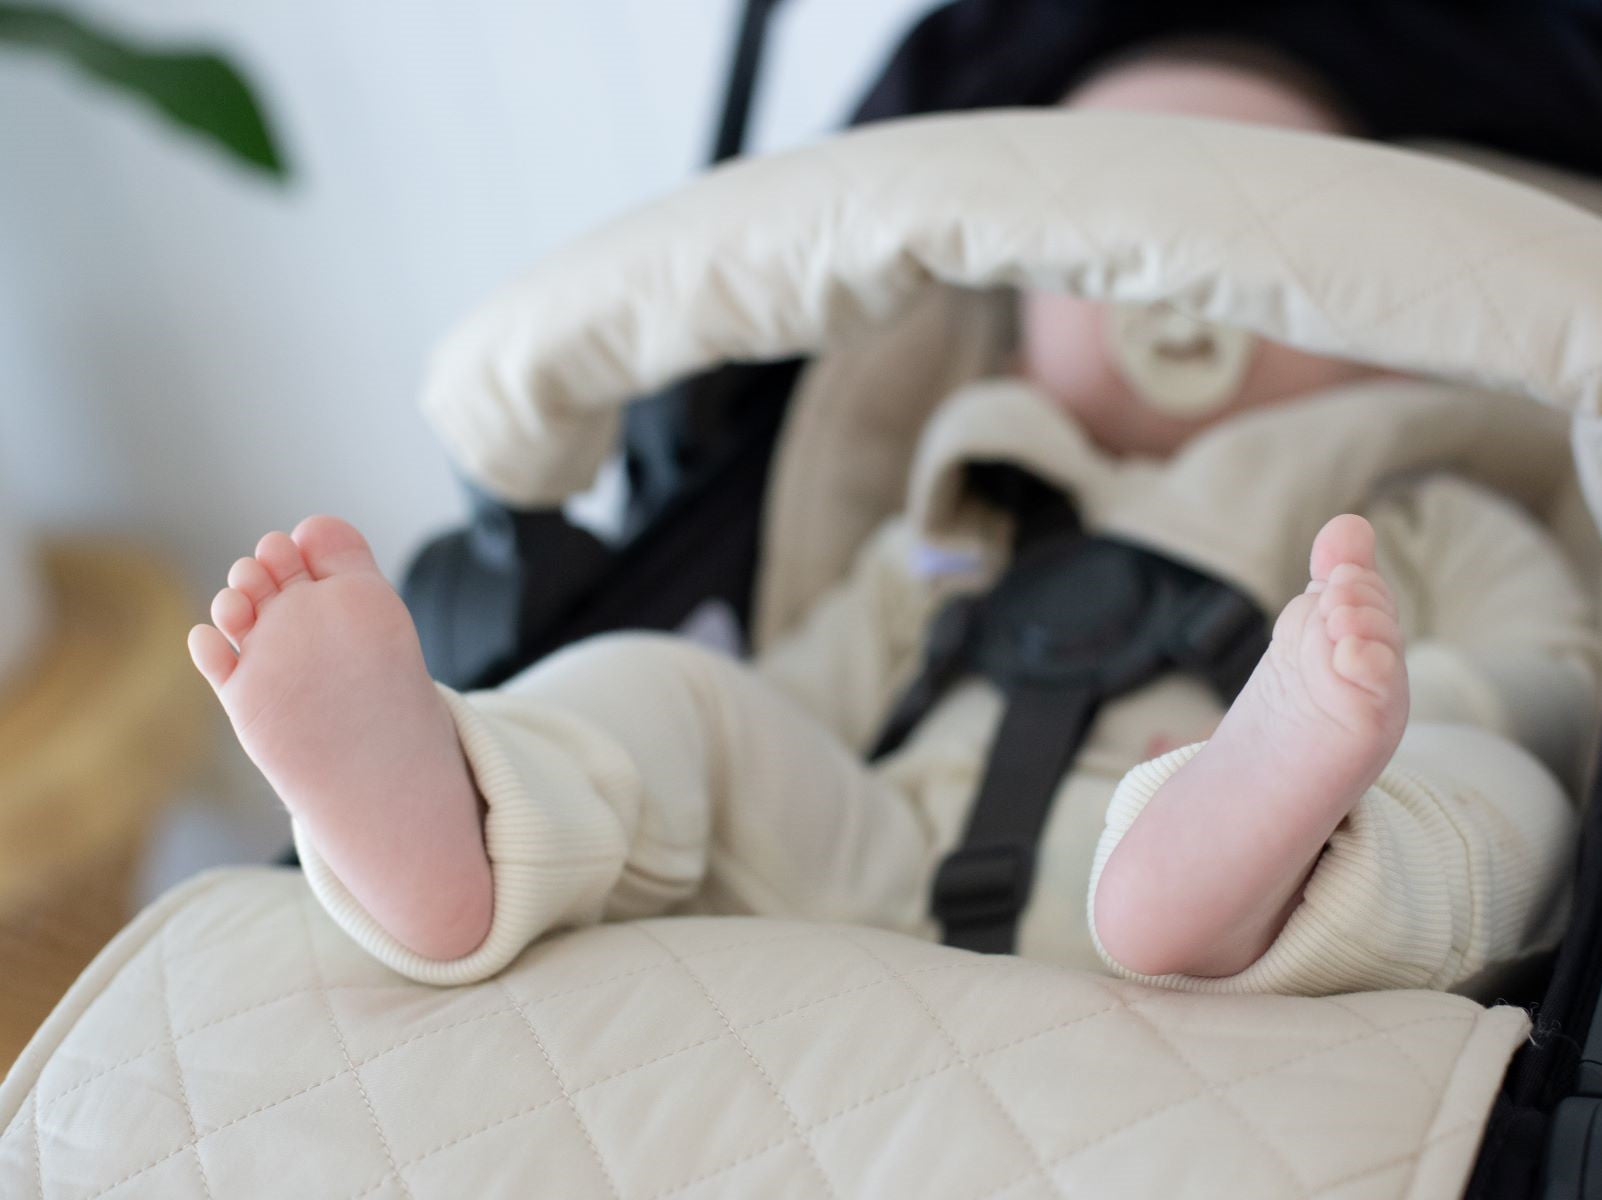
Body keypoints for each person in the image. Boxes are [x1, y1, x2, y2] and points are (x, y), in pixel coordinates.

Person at [186, 48, 1599, 992]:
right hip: (876, 859)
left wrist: (1377, 720)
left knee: (1500, 787)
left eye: (1252, 253)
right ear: (1013, 311)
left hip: (1286, 880)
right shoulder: (954, 517)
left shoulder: (1421, 516)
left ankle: (1251, 849)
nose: (1176, 282)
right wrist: (751, 740)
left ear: (1381, 329)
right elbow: (809, 703)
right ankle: (472, 819)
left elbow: (1549, 682)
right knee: (683, 700)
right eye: (1110, 250)